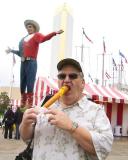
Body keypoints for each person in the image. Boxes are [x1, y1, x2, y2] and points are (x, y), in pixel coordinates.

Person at [19, 58, 113, 160]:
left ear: (82, 83)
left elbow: (104, 148)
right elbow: (28, 139)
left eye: (72, 76)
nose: (66, 80)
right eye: (62, 76)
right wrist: (25, 124)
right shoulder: (44, 104)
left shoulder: (96, 111)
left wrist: (71, 127)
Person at [5, 19, 64, 108]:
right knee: (22, 82)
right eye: (27, 27)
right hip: (23, 62)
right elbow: (20, 53)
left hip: (31, 62)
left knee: (30, 82)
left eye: (30, 27)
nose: (28, 28)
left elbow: (44, 38)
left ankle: (30, 101)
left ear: (34, 28)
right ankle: (23, 99)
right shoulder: (23, 39)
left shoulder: (36, 35)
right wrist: (11, 51)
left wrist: (54, 33)